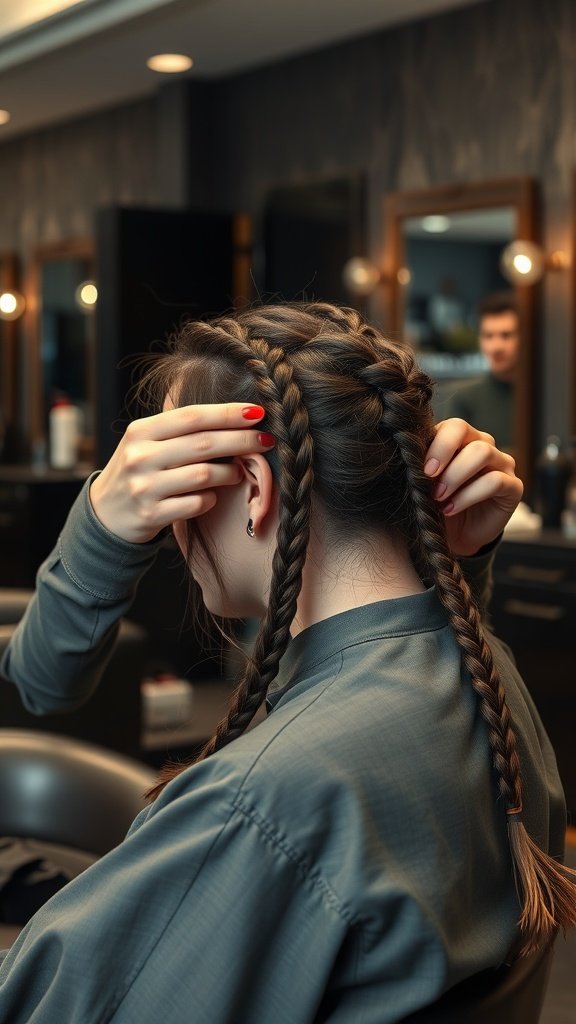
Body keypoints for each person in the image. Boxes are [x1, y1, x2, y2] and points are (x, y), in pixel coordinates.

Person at [0, 301, 574, 1023]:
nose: (168, 526)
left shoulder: (261, 805)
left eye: (172, 486)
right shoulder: (494, 678)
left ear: (252, 488)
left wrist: (95, 528)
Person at [444, 291, 520, 450]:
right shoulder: (465, 399)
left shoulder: (543, 400)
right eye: (488, 336)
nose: (496, 346)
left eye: (506, 335)